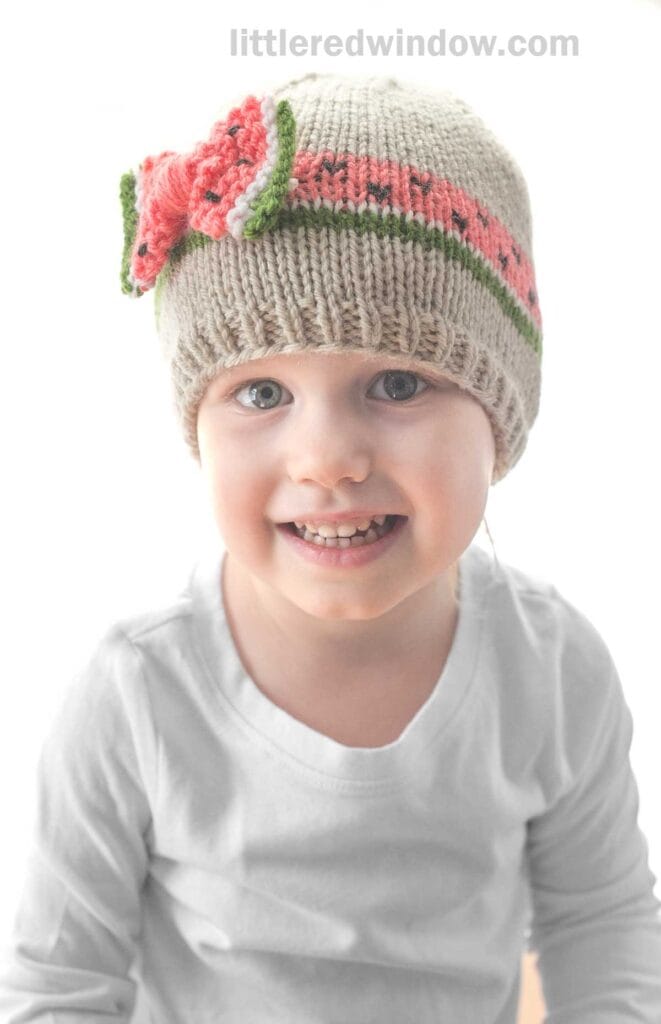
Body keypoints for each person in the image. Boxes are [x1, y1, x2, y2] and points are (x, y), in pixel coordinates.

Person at [1, 71, 660, 1024]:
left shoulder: (550, 669)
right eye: (261, 394)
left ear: (502, 414)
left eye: (397, 383)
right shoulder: (139, 688)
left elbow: (601, 922)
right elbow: (57, 986)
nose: (327, 461)